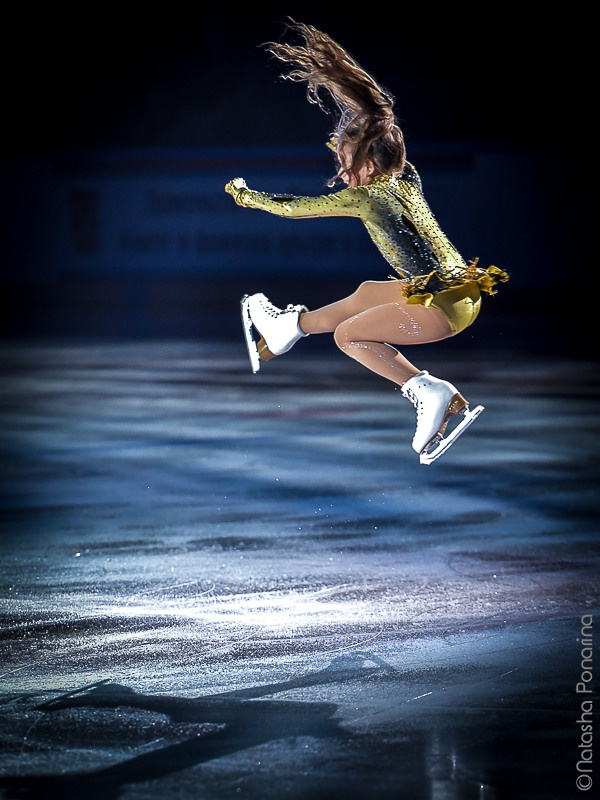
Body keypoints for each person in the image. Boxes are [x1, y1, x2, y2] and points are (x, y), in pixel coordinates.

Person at [225, 20, 508, 464]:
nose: (342, 171)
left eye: (344, 161)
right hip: (460, 292)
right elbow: (381, 120)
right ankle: (288, 329)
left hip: (442, 309)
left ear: (366, 162)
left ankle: (429, 391)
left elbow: (294, 207)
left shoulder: (365, 198)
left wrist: (246, 195)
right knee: (367, 295)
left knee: (349, 336)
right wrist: (364, 103)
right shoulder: (406, 176)